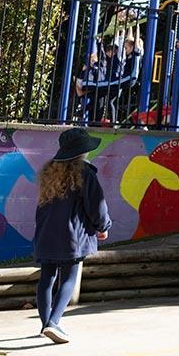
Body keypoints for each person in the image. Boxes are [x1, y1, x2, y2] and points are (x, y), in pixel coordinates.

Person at [33, 128, 112, 343]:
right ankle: (54, 322)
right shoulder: (86, 173)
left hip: (46, 232)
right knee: (69, 278)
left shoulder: (50, 171)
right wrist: (103, 226)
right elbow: (97, 206)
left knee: (46, 278)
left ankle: (45, 323)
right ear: (83, 151)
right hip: (73, 235)